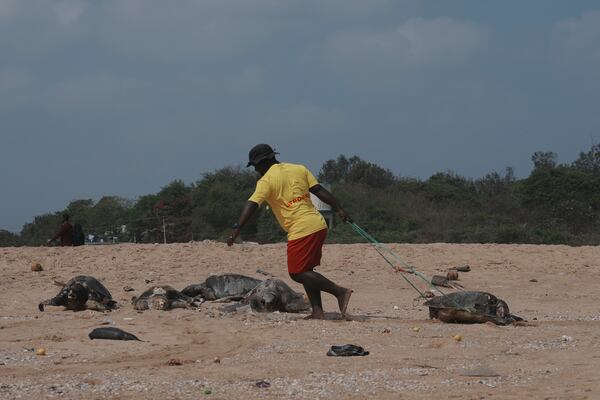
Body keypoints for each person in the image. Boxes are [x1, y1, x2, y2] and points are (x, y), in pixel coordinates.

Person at [227, 144, 353, 320]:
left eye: (255, 166)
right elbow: (319, 190)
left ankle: (340, 292)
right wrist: (339, 209)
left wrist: (236, 228)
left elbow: (252, 204)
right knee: (307, 270)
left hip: (301, 229)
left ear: (262, 162)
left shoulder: (266, 181)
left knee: (297, 272)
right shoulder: (298, 168)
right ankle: (317, 311)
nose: (255, 170)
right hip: (317, 224)